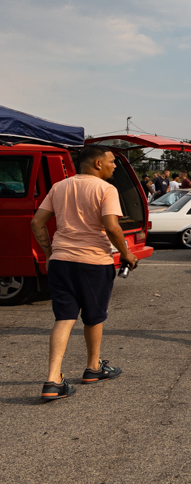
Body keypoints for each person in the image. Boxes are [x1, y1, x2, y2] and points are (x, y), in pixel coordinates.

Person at [29, 145, 136, 401]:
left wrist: (48, 254)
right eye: (111, 162)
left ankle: (53, 380)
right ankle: (93, 367)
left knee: (64, 317)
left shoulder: (59, 187)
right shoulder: (106, 189)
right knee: (94, 316)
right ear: (98, 163)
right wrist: (127, 254)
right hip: (93, 263)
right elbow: (111, 226)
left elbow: (36, 222)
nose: (113, 166)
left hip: (60, 260)